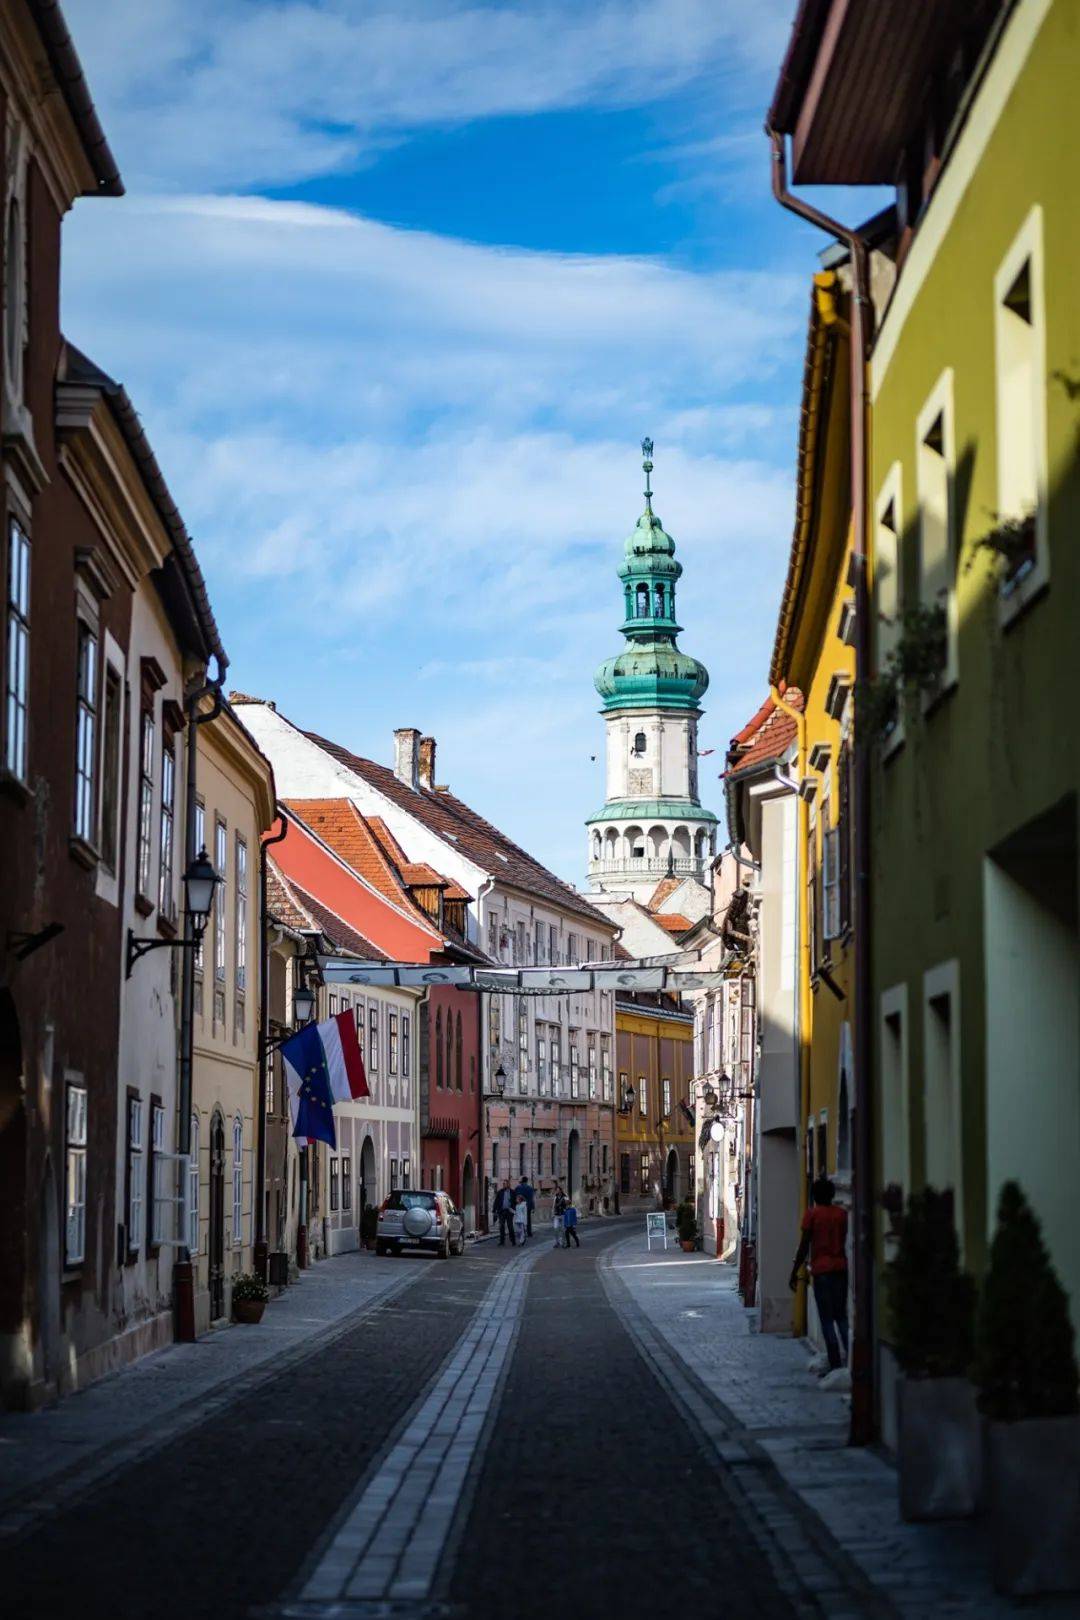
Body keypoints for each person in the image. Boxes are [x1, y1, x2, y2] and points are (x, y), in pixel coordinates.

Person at [789, 1176, 849, 1371]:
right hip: (840, 1268)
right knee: (841, 1316)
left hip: (822, 1271)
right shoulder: (842, 1214)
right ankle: (850, 1359)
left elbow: (804, 1245)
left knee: (827, 1319)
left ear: (814, 1195)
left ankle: (835, 1362)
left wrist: (794, 1271)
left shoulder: (812, 1215)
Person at [492, 1179, 517, 1246]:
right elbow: (496, 1201)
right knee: (501, 1226)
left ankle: (513, 1240)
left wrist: (513, 1208)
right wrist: (494, 1210)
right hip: (502, 1211)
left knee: (510, 1226)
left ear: (508, 1184)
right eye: (503, 1184)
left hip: (509, 1211)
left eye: (505, 1183)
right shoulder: (500, 1192)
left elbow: (515, 1202)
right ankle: (502, 1241)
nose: (504, 1185)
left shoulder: (512, 1192)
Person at [552, 1183, 567, 1249]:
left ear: (561, 1190)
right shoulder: (555, 1197)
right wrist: (552, 1213)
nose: (557, 1191)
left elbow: (568, 1203)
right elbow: (553, 1206)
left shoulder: (565, 1196)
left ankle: (563, 1243)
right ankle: (557, 1242)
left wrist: (565, 1207)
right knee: (556, 1229)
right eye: (556, 1190)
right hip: (556, 1215)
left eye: (558, 1190)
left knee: (563, 1230)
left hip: (563, 1214)